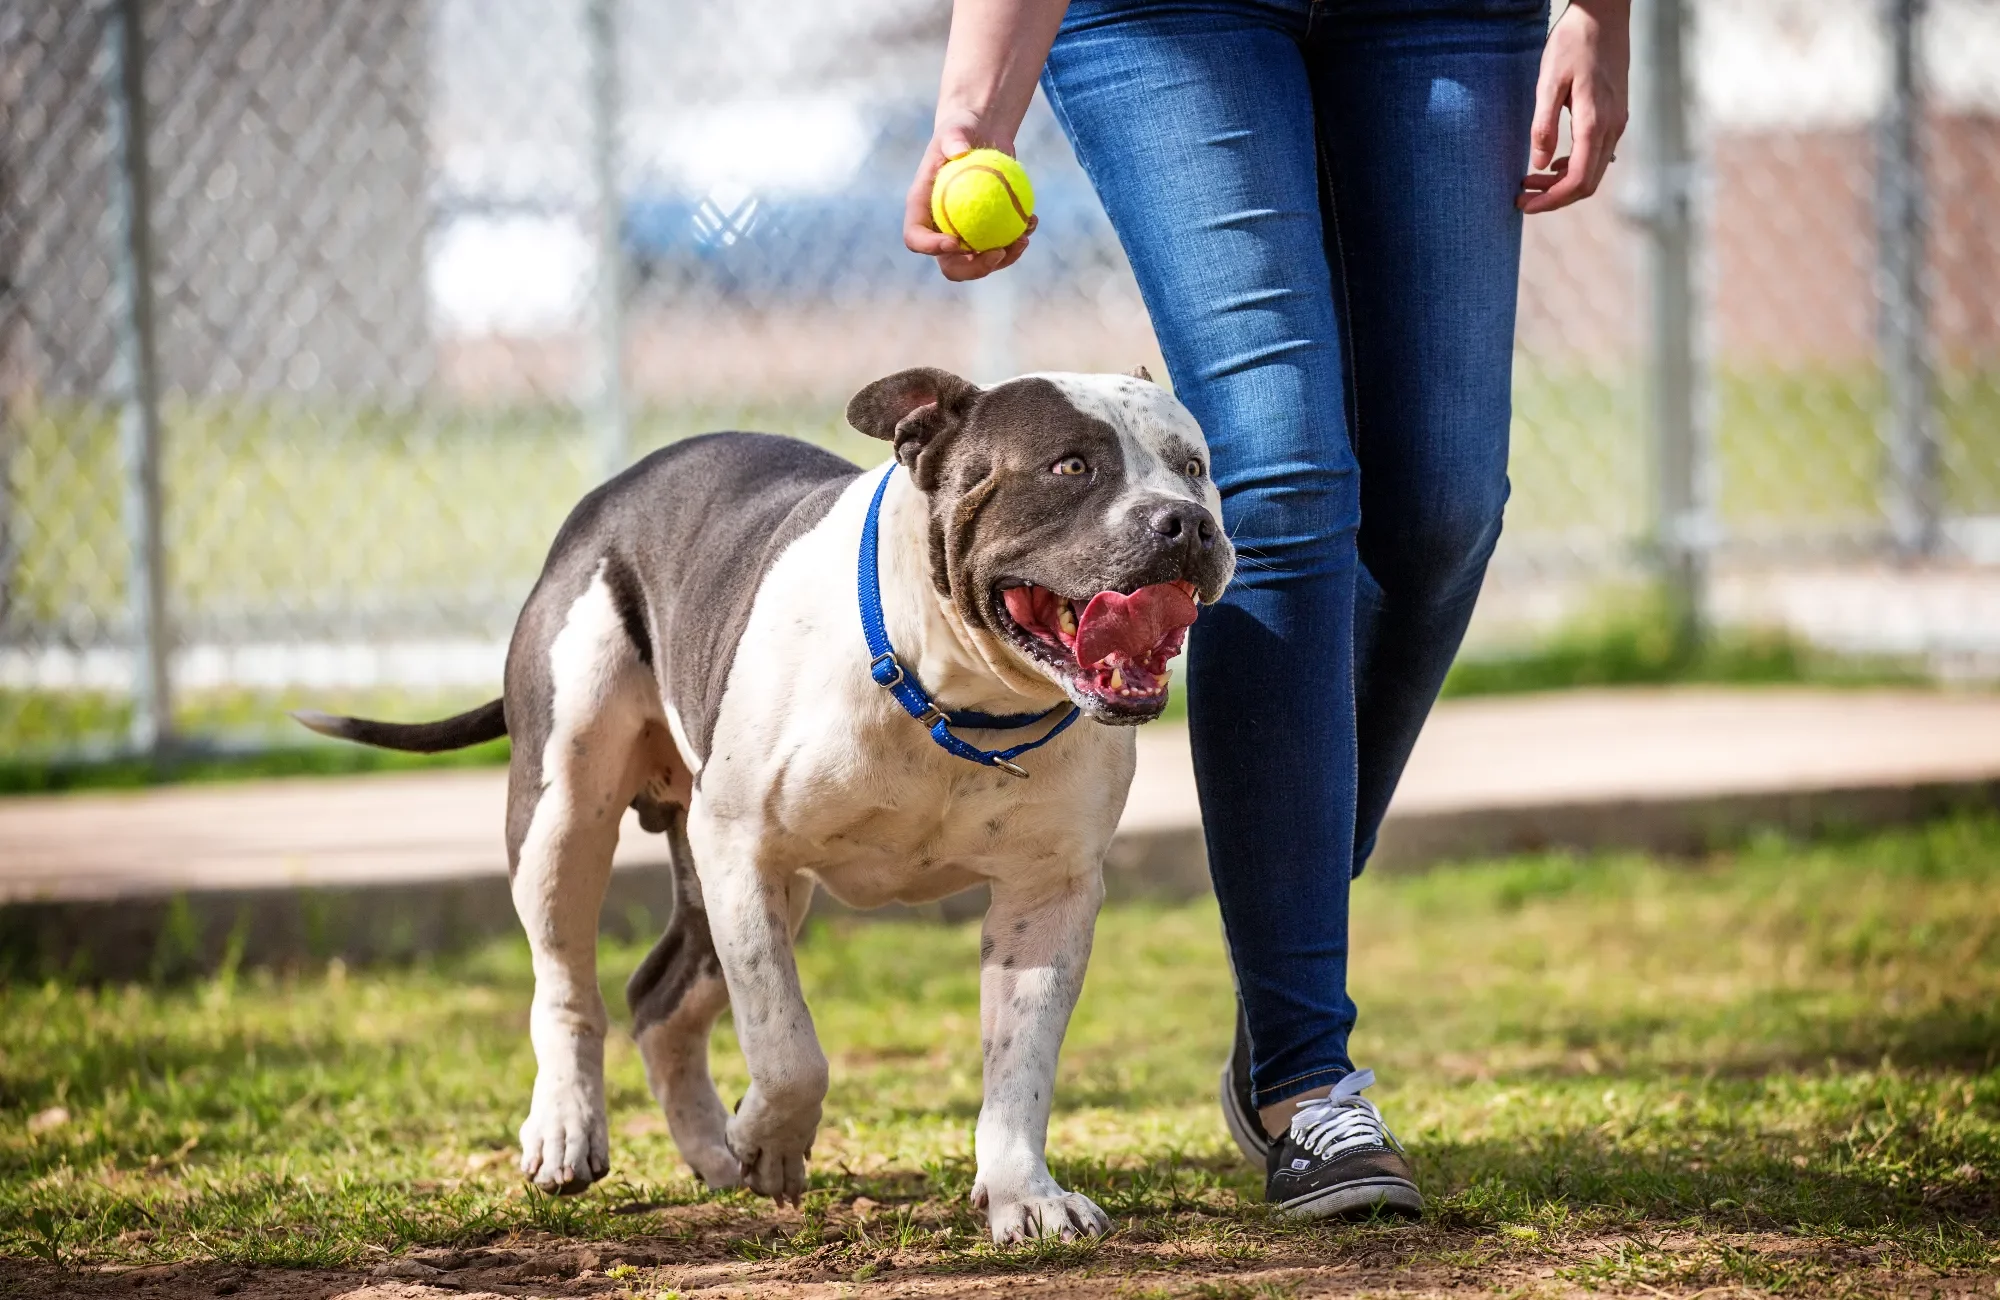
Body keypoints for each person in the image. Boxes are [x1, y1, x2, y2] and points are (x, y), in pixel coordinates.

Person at [905, 0, 1628, 1219]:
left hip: (1446, 16)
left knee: (1442, 503)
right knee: (1280, 483)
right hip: (1169, 19)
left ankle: (1283, 941)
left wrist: (1595, 12)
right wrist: (972, 113)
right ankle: (1304, 1072)